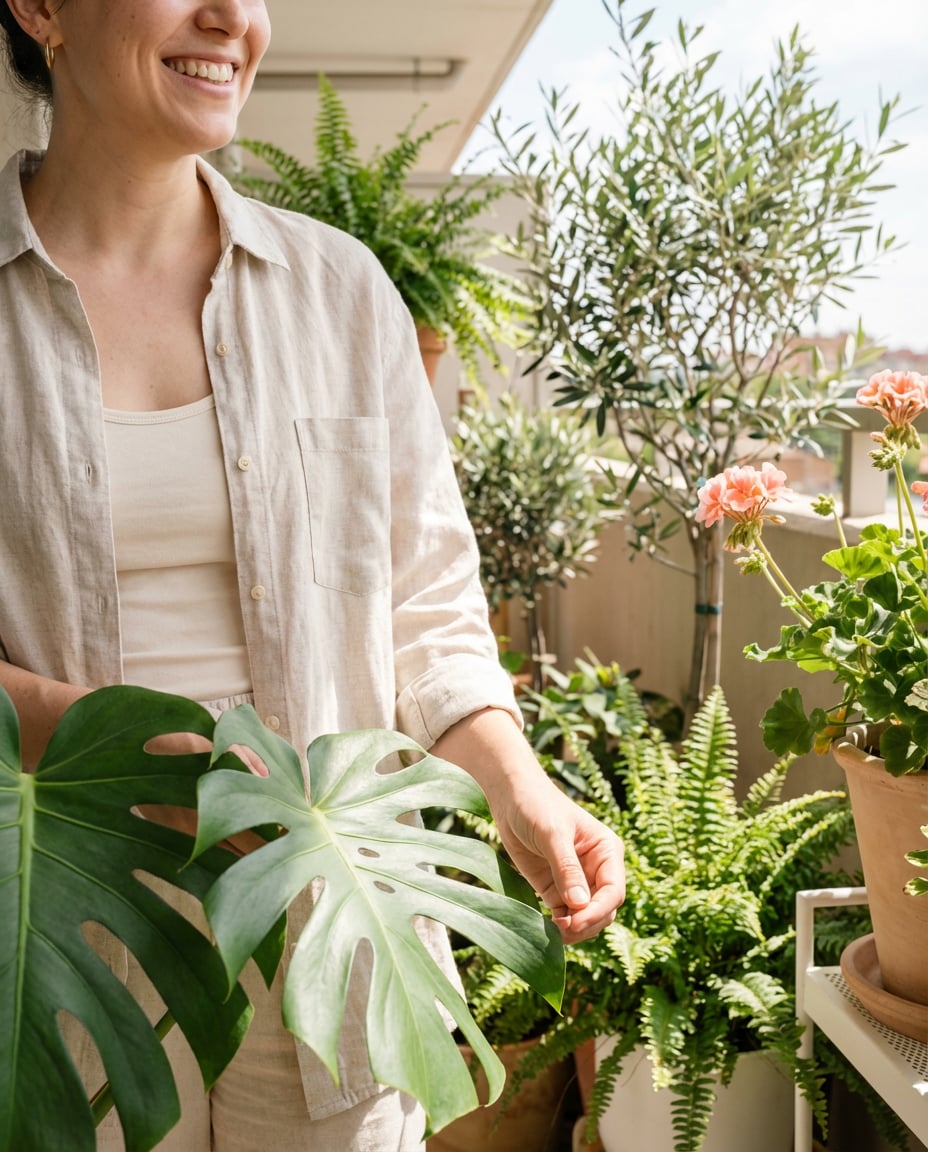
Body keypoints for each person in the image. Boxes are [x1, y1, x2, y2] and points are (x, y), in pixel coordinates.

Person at [0, 1, 625, 1149]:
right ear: (44, 7)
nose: (234, 17)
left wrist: (514, 782)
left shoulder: (341, 294)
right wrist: (133, 745)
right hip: (63, 940)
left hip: (339, 927)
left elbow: (427, 610)